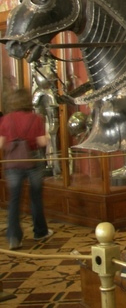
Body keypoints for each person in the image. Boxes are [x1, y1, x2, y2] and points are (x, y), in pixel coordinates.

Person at [0, 88, 53, 250]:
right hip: (33, 161)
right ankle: (40, 231)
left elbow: (1, 144)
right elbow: (42, 142)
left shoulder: (6, 119)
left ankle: (14, 237)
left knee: (14, 200)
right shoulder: (36, 118)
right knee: (35, 197)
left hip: (13, 162)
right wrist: (48, 136)